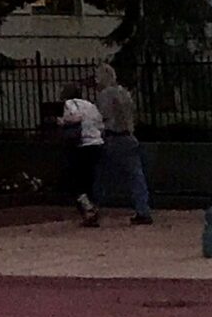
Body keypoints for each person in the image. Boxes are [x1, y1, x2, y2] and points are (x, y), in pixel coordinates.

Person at [91, 64, 152, 225]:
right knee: (136, 175)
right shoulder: (124, 92)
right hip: (129, 137)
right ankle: (143, 210)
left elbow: (102, 117)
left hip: (112, 137)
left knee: (101, 175)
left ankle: (92, 211)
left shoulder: (105, 94)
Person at [57, 81, 105, 224]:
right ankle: (93, 208)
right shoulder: (91, 105)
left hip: (82, 145)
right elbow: (101, 124)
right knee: (90, 178)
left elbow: (76, 117)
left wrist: (63, 121)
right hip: (97, 144)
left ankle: (88, 208)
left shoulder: (70, 103)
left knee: (76, 179)